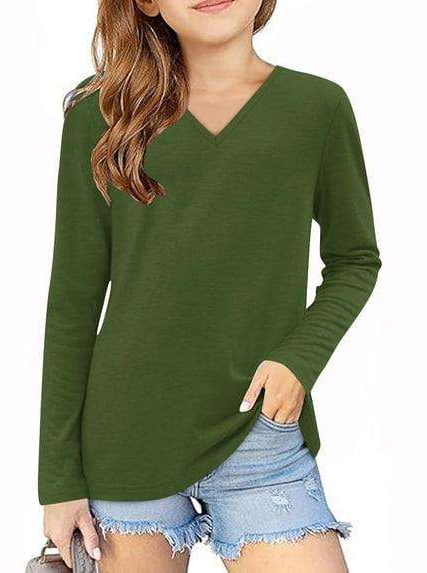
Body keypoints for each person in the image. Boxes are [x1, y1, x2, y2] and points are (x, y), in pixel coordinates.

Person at [37, 0, 382, 571]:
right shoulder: (101, 113)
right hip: (125, 439)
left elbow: (355, 259)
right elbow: (72, 302)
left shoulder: (317, 107)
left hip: (262, 434)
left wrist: (299, 360)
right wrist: (58, 481)